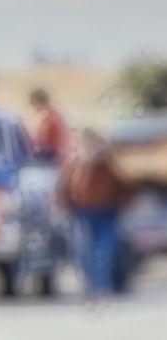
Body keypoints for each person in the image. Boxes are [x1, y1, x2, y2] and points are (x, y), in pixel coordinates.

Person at [56, 128, 131, 303]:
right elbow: (64, 188)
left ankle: (102, 289)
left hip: (107, 213)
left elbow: (126, 184)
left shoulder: (109, 164)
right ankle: (91, 288)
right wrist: (64, 205)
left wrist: (124, 204)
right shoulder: (74, 164)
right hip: (82, 214)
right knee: (84, 253)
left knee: (105, 252)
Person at [29, 87, 69, 164]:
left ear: (36, 102)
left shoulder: (45, 117)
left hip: (50, 159)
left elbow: (41, 141)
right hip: (61, 157)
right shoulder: (57, 114)